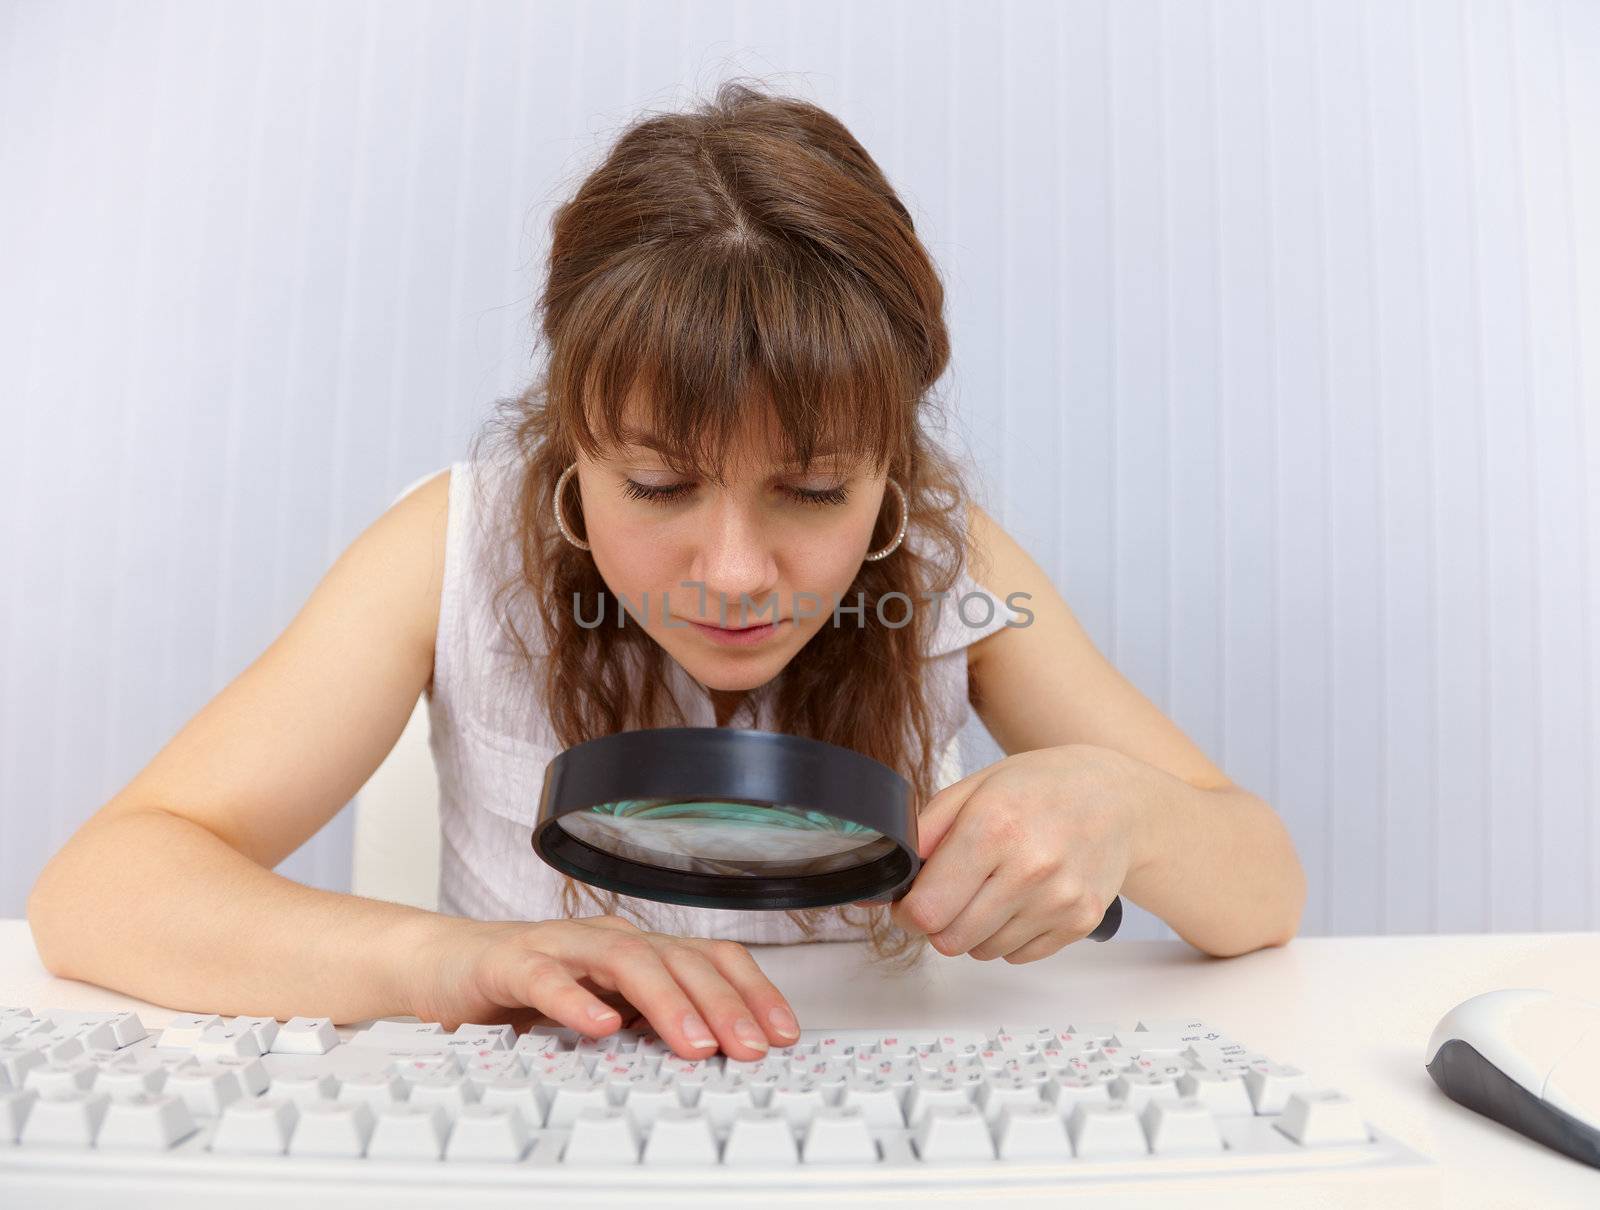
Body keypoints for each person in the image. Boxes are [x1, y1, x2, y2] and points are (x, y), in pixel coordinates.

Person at [27, 80, 1305, 1065]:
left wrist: (1127, 812)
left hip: (874, 1109)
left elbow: (1261, 887)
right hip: (544, 1111)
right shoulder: (448, 549)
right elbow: (103, 888)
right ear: (572, 444)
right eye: (656, 485)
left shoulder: (951, 568)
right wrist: (452, 961)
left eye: (812, 492)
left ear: (888, 475)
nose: (737, 572)